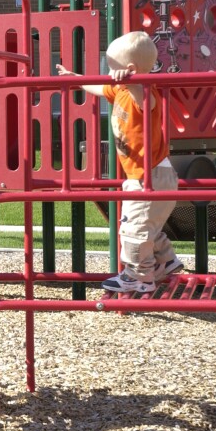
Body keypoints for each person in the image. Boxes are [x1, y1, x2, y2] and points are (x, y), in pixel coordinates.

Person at [55, 31, 184, 293]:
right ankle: (166, 261)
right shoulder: (120, 90)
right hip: (147, 176)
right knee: (145, 226)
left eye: (111, 67)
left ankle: (140, 277)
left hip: (151, 177)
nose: (108, 72)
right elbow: (98, 87)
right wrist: (76, 80)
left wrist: (133, 81)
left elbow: (142, 100)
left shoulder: (144, 93)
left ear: (130, 70)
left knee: (133, 231)